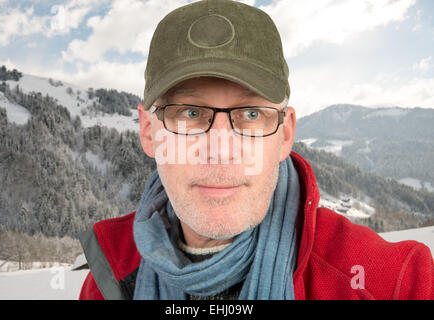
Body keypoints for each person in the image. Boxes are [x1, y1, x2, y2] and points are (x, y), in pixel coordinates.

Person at [78, 0, 433, 300]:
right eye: (190, 113)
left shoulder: (391, 281)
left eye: (250, 114)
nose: (220, 150)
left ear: (285, 134)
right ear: (148, 131)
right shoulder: (109, 276)